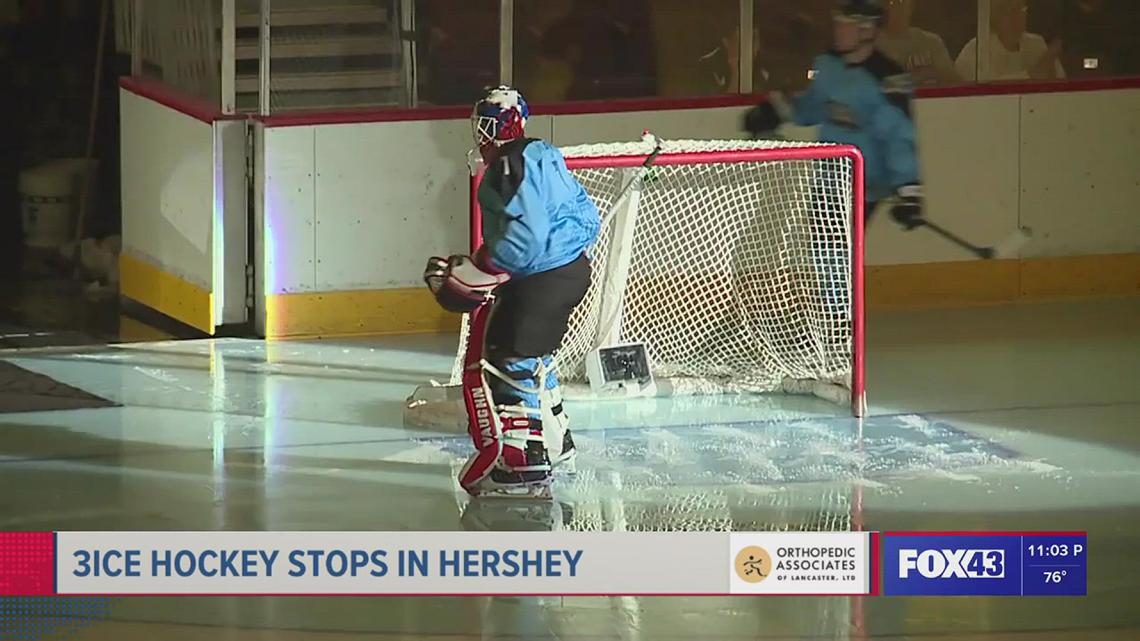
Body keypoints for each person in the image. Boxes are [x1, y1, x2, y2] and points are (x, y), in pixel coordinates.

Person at [424, 86, 600, 498]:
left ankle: (525, 469)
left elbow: (525, 240)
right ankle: (557, 445)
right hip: (571, 271)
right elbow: (582, 216)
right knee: (535, 356)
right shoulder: (542, 153)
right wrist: (487, 260)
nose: (480, 134)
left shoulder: (508, 165)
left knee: (508, 358)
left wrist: (483, 268)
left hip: (540, 279)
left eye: (485, 123)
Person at [743, 0, 923, 227]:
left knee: (833, 248)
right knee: (827, 250)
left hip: (864, 182)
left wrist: (908, 190)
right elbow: (813, 106)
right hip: (828, 178)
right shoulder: (828, 65)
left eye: (845, 25)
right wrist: (775, 111)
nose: (837, 31)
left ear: (866, 30)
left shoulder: (887, 79)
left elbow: (899, 137)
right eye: (837, 23)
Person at [954, 0, 1064, 82]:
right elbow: (988, 92)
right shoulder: (976, 49)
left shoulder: (1037, 43)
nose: (1016, 15)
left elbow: (1061, 83)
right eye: (1007, 10)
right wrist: (1033, 74)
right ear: (993, 16)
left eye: (1020, 8)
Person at [877, 0, 960, 86]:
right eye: (892, 2)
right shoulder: (872, 46)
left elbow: (956, 82)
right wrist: (913, 78)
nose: (897, 7)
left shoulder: (931, 42)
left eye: (902, 2)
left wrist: (931, 73)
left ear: (911, 6)